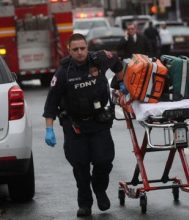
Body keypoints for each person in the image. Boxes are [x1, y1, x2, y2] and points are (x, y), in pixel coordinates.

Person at [43, 33, 124, 217]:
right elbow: (51, 103)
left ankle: (100, 189)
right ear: (69, 50)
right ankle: (85, 204)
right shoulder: (63, 72)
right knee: (80, 167)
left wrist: (122, 83)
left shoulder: (99, 60)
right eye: (75, 49)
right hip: (75, 126)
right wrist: (49, 129)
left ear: (87, 48)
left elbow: (117, 63)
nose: (80, 52)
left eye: (83, 48)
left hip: (98, 122)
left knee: (103, 161)